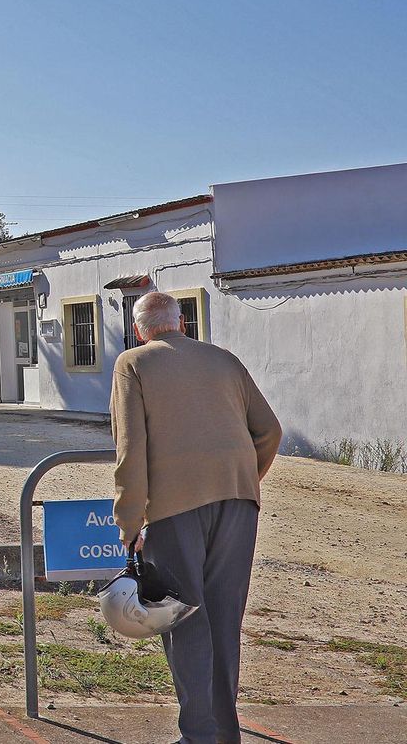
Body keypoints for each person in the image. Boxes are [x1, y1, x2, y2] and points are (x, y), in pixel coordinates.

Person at [111, 291, 281, 744]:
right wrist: (243, 477)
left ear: (139, 329)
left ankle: (199, 735)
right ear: (182, 322)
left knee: (185, 618)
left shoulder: (133, 363)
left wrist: (130, 524)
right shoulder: (225, 360)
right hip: (239, 502)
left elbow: (131, 449)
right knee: (226, 619)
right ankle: (225, 734)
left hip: (173, 508)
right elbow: (270, 430)